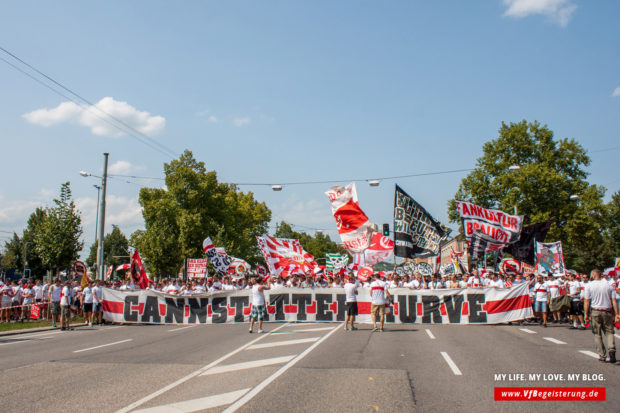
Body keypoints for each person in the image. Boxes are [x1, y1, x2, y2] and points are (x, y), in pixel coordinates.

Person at [584, 269, 619, 363]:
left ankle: (602, 355)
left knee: (597, 333)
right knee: (609, 332)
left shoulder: (589, 285)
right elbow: (614, 301)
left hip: (595, 311)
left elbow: (586, 301)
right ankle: (611, 348)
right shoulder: (608, 285)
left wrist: (586, 314)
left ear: (593, 275)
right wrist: (617, 314)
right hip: (607, 311)